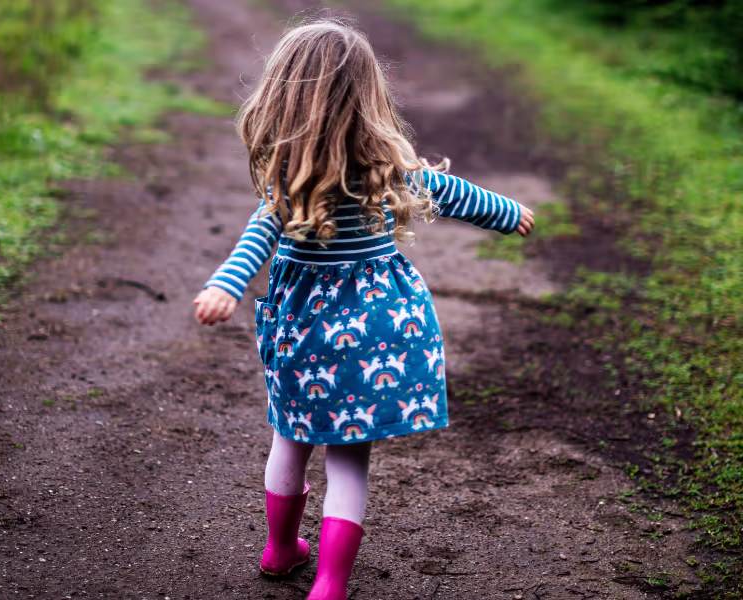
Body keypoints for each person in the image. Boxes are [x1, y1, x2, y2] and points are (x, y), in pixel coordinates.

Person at [194, 19, 535, 600]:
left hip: (305, 335)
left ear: (283, 96)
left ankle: (280, 552)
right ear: (369, 96)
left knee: (291, 438)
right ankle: (328, 585)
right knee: (349, 461)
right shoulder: (388, 167)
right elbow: (453, 193)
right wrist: (509, 213)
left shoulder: (289, 180)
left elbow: (255, 240)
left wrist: (226, 287)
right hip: (376, 328)